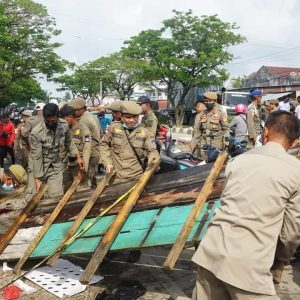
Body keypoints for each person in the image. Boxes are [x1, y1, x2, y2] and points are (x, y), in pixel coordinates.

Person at [192, 110, 300, 300]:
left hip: (211, 252)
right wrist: (281, 260)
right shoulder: (295, 172)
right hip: (249, 262)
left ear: (265, 133)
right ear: (295, 142)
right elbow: (291, 231)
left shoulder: (238, 161)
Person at [27, 103, 80, 199]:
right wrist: (37, 178)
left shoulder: (64, 125)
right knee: (34, 197)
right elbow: (36, 156)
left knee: (56, 197)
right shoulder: (36, 132)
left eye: (53, 121)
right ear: (44, 117)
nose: (51, 123)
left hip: (55, 165)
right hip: (38, 165)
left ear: (58, 117)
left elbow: (69, 142)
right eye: (48, 121)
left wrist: (78, 156)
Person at [100, 101, 160, 183]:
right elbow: (104, 144)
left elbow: (152, 151)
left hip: (136, 178)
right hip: (115, 178)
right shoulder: (113, 128)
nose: (132, 120)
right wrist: (107, 162)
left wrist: (153, 161)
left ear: (138, 116)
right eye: (128, 117)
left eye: (135, 117)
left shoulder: (145, 133)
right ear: (121, 116)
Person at [68, 98, 102, 187]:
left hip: (90, 153)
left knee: (85, 183)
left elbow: (85, 142)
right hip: (95, 152)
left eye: (74, 111)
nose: (72, 113)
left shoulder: (84, 121)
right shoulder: (92, 117)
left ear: (81, 109)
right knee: (92, 179)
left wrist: (83, 168)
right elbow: (101, 134)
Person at [59, 105, 92, 191]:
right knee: (65, 188)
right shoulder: (66, 130)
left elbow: (87, 149)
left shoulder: (83, 129)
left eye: (63, 119)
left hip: (79, 166)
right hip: (68, 164)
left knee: (81, 191)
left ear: (69, 117)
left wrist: (83, 169)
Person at [190, 92, 229, 160]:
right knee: (203, 164)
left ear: (215, 101)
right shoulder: (201, 114)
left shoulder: (220, 113)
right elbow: (197, 131)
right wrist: (193, 144)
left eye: (210, 101)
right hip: (204, 145)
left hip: (216, 146)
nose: (208, 102)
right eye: (206, 101)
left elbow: (226, 129)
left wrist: (226, 140)